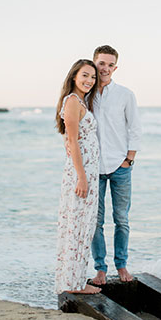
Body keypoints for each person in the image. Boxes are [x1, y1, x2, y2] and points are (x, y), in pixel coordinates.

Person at [89, 45, 142, 285]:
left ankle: (121, 265)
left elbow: (134, 128)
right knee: (95, 222)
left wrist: (128, 160)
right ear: (94, 63)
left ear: (115, 67)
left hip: (120, 167)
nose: (105, 68)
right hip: (93, 169)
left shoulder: (125, 94)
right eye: (102, 63)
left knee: (121, 219)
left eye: (110, 64)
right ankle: (100, 268)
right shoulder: (85, 94)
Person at [55, 59, 101, 295]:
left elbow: (72, 138)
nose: (89, 81)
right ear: (74, 76)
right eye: (85, 75)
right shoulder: (72, 102)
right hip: (81, 174)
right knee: (78, 226)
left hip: (87, 172)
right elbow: (72, 140)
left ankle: (72, 279)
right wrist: (82, 178)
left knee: (82, 225)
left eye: (92, 77)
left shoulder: (80, 101)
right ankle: (75, 284)